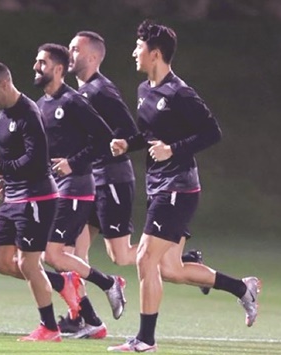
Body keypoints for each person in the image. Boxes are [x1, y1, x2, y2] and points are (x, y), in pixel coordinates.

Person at [107, 20, 261, 352]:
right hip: (158, 185)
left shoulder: (180, 92)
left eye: (139, 47)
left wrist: (173, 150)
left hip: (179, 187)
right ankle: (242, 288)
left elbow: (212, 133)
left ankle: (145, 340)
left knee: (145, 259)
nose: (134, 52)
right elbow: (150, 138)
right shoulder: (144, 90)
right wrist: (127, 144)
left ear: (156, 53)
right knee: (172, 269)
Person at [59, 30, 210, 335]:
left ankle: (177, 263)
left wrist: (129, 146)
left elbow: (128, 130)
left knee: (124, 255)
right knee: (69, 252)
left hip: (112, 178)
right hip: (90, 180)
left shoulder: (103, 90)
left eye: (75, 49)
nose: (68, 53)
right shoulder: (109, 91)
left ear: (92, 56)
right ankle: (83, 317)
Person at [33, 43, 126, 339]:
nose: (36, 67)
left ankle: (110, 283)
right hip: (55, 188)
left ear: (58, 69)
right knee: (64, 257)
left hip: (77, 186)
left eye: (42, 62)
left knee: (52, 254)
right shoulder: (41, 105)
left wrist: (73, 163)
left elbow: (105, 139)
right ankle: (89, 320)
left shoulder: (73, 102)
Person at [0, 61, 63, 342]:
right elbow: (16, 159)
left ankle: (49, 328)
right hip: (13, 197)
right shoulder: (2, 115)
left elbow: (37, 162)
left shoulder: (29, 113)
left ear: (4, 84)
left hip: (37, 197)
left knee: (27, 264)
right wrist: (4, 179)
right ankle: (63, 282)